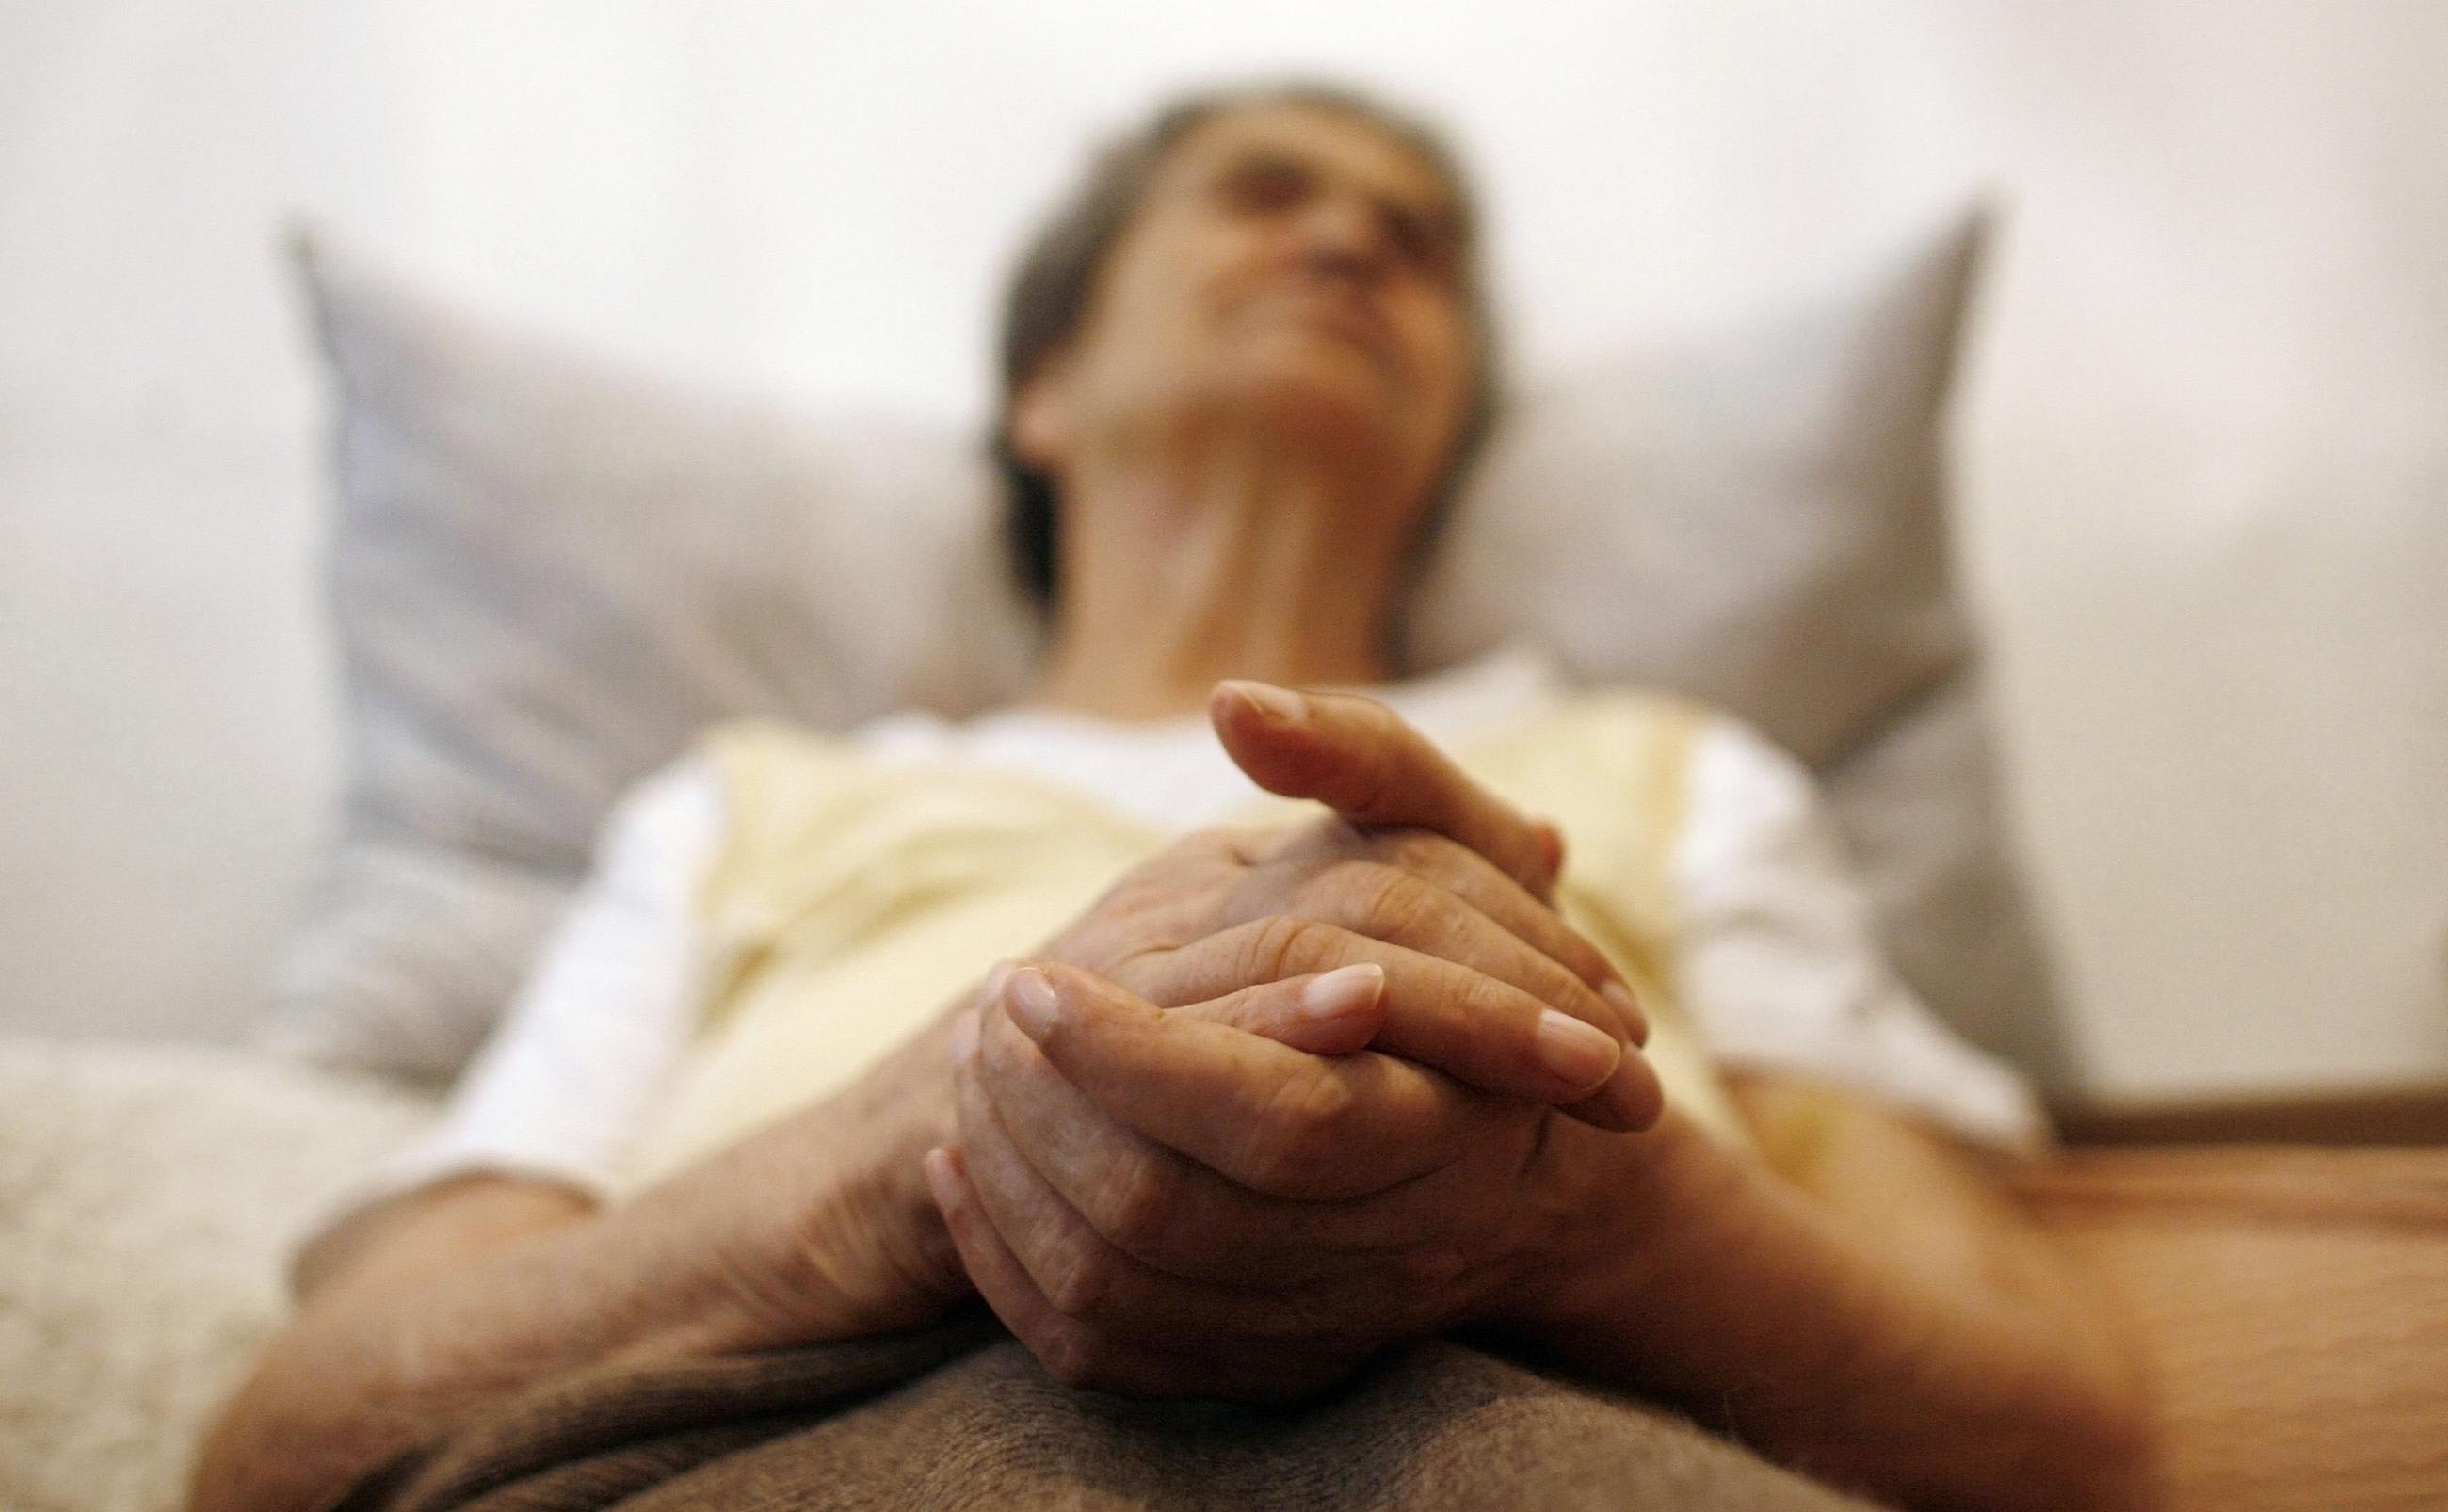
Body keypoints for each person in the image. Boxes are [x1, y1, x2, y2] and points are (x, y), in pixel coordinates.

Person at [193, 82, 2152, 1511]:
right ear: (1044, 389)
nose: (1353, 240)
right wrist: (928, 1147)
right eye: (1262, 192)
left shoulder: (1675, 769)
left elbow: (2054, 1427)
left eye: (1418, 238)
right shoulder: (747, 802)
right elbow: (295, 1439)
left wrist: (1585, 1212)